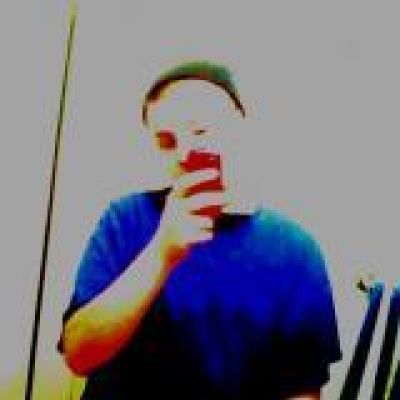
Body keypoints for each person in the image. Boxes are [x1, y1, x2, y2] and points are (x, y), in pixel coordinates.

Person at [58, 60, 342, 399]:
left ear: (241, 125)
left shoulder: (296, 250)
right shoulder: (125, 219)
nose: (184, 153)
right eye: (166, 141)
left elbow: (302, 389)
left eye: (201, 132)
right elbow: (79, 355)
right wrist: (161, 253)